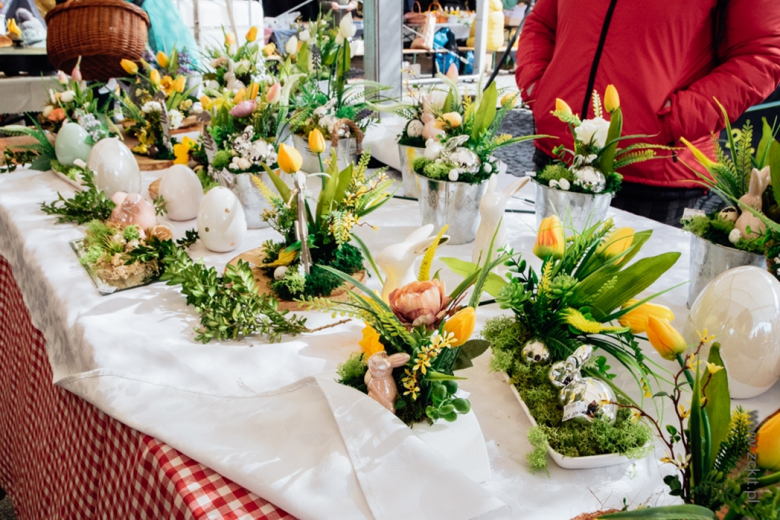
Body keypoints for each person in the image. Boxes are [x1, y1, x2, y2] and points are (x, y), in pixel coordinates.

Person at [515, 0, 780, 225]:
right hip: (561, 151)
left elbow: (761, 53)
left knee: (635, 285)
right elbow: (542, 22)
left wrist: (675, 120)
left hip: (654, 171)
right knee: (543, 274)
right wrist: (538, 87)